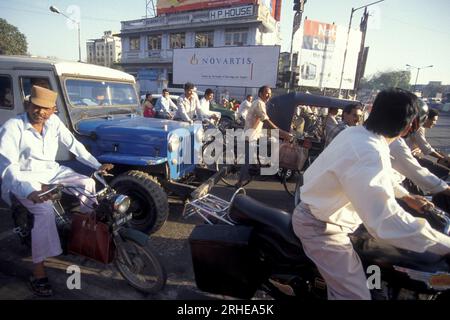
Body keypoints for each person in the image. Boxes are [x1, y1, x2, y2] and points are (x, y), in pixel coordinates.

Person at [292, 88, 450, 300]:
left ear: (373, 111)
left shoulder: (360, 135)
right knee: (355, 296)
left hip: (325, 215)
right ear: (411, 126)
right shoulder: (369, 150)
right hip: (322, 228)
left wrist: (405, 196)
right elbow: (386, 220)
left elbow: (375, 178)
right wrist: (444, 244)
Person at [0, 86, 113, 297]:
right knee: (44, 211)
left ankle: (82, 237)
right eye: (36, 106)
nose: (40, 112)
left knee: (88, 185)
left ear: (53, 110)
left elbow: (73, 144)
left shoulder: (53, 123)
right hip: (25, 178)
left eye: (46, 108)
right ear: (28, 105)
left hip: (52, 172)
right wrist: (28, 190)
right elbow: (7, 167)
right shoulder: (12, 127)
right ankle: (38, 272)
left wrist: (96, 165)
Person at [237, 85, 292, 186]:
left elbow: (261, 121)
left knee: (272, 142)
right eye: (267, 93)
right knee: (247, 161)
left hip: (255, 134)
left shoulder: (261, 103)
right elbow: (266, 121)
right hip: (251, 136)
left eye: (270, 94)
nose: (269, 95)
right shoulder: (259, 103)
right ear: (260, 94)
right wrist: (283, 133)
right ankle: (239, 182)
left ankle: (263, 164)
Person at [406, 108, 450, 178]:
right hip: (411, 157)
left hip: (413, 156)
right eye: (434, 120)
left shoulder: (419, 128)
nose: (435, 123)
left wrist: (439, 154)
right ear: (426, 118)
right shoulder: (419, 129)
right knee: (443, 171)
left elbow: (425, 146)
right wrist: (442, 158)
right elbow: (426, 148)